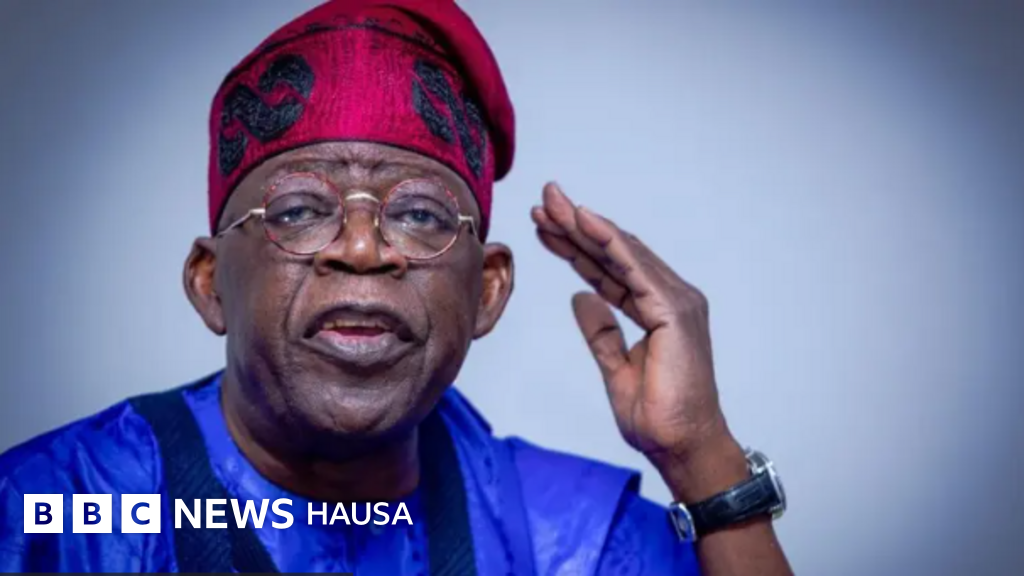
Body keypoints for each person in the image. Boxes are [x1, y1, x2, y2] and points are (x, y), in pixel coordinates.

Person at [0, 1, 792, 574]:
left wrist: (701, 457)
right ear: (210, 283)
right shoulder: (57, 508)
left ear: (487, 291)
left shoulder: (578, 540)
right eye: (299, 210)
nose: (361, 249)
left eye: (418, 215)